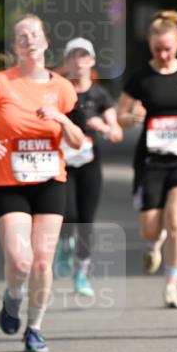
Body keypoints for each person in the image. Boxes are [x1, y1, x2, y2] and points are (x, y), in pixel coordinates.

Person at [0, 14, 85, 352]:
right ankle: (12, 295)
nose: (29, 40)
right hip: (10, 181)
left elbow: (79, 141)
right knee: (20, 261)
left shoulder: (62, 88)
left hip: (51, 181)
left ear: (46, 42)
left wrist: (62, 119)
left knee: (41, 261)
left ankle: (34, 327)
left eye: (34, 34)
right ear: (15, 46)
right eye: (22, 36)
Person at [117, 10, 177, 309]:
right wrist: (132, 116)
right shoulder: (141, 77)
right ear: (150, 45)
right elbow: (121, 116)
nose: (164, 54)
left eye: (168, 48)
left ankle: (172, 285)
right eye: (158, 49)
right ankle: (154, 243)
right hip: (150, 161)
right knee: (151, 228)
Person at [54, 38, 123, 296]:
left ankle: (81, 273)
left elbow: (116, 133)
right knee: (67, 214)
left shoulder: (99, 94)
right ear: (67, 60)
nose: (79, 61)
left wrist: (102, 127)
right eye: (74, 56)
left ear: (92, 61)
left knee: (86, 220)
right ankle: (64, 244)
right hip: (61, 163)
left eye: (84, 56)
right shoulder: (58, 90)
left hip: (88, 164)